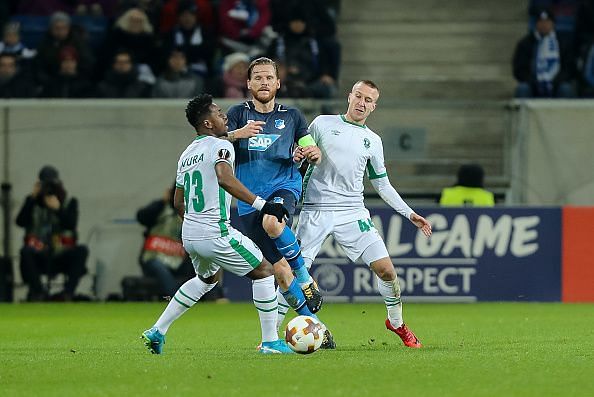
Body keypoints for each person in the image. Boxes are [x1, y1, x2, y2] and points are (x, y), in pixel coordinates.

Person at [142, 94, 294, 355]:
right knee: (265, 271)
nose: (224, 116)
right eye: (218, 113)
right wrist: (264, 205)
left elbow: (178, 201)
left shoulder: (187, 154)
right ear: (208, 123)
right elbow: (225, 178)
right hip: (215, 229)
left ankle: (158, 330)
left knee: (206, 279)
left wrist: (193, 224)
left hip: (190, 232)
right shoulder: (221, 148)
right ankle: (270, 342)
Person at [292, 80, 433, 348]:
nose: (362, 103)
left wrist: (409, 213)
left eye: (368, 100)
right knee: (293, 275)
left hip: (352, 212)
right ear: (349, 96)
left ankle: (397, 323)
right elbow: (300, 153)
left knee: (387, 271)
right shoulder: (322, 123)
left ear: (374, 107)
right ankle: (271, 336)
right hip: (315, 209)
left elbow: (381, 184)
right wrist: (298, 154)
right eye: (359, 96)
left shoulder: (374, 141)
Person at [225, 57, 334, 348]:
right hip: (250, 201)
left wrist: (311, 154)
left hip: (284, 186)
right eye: (257, 78)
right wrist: (237, 135)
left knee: (273, 222)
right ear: (248, 84)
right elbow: (216, 141)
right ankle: (317, 327)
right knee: (280, 274)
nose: (263, 82)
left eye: (268, 77)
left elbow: (310, 147)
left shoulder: (293, 116)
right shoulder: (237, 114)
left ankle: (305, 276)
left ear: (277, 83)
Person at [16, 166, 89, 301]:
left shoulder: (69, 202)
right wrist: (32, 199)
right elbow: (20, 222)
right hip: (39, 254)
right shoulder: (32, 202)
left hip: (62, 254)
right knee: (25, 252)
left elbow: (71, 224)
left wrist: (58, 209)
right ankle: (38, 292)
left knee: (82, 250)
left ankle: (68, 293)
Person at [512, 8, 575, 98]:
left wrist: (555, 82)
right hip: (533, 85)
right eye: (541, 22)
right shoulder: (525, 44)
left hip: (557, 84)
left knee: (566, 89)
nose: (544, 25)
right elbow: (519, 69)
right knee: (523, 89)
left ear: (553, 23)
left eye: (547, 22)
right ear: (536, 24)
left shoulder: (563, 43)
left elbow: (569, 68)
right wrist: (535, 82)